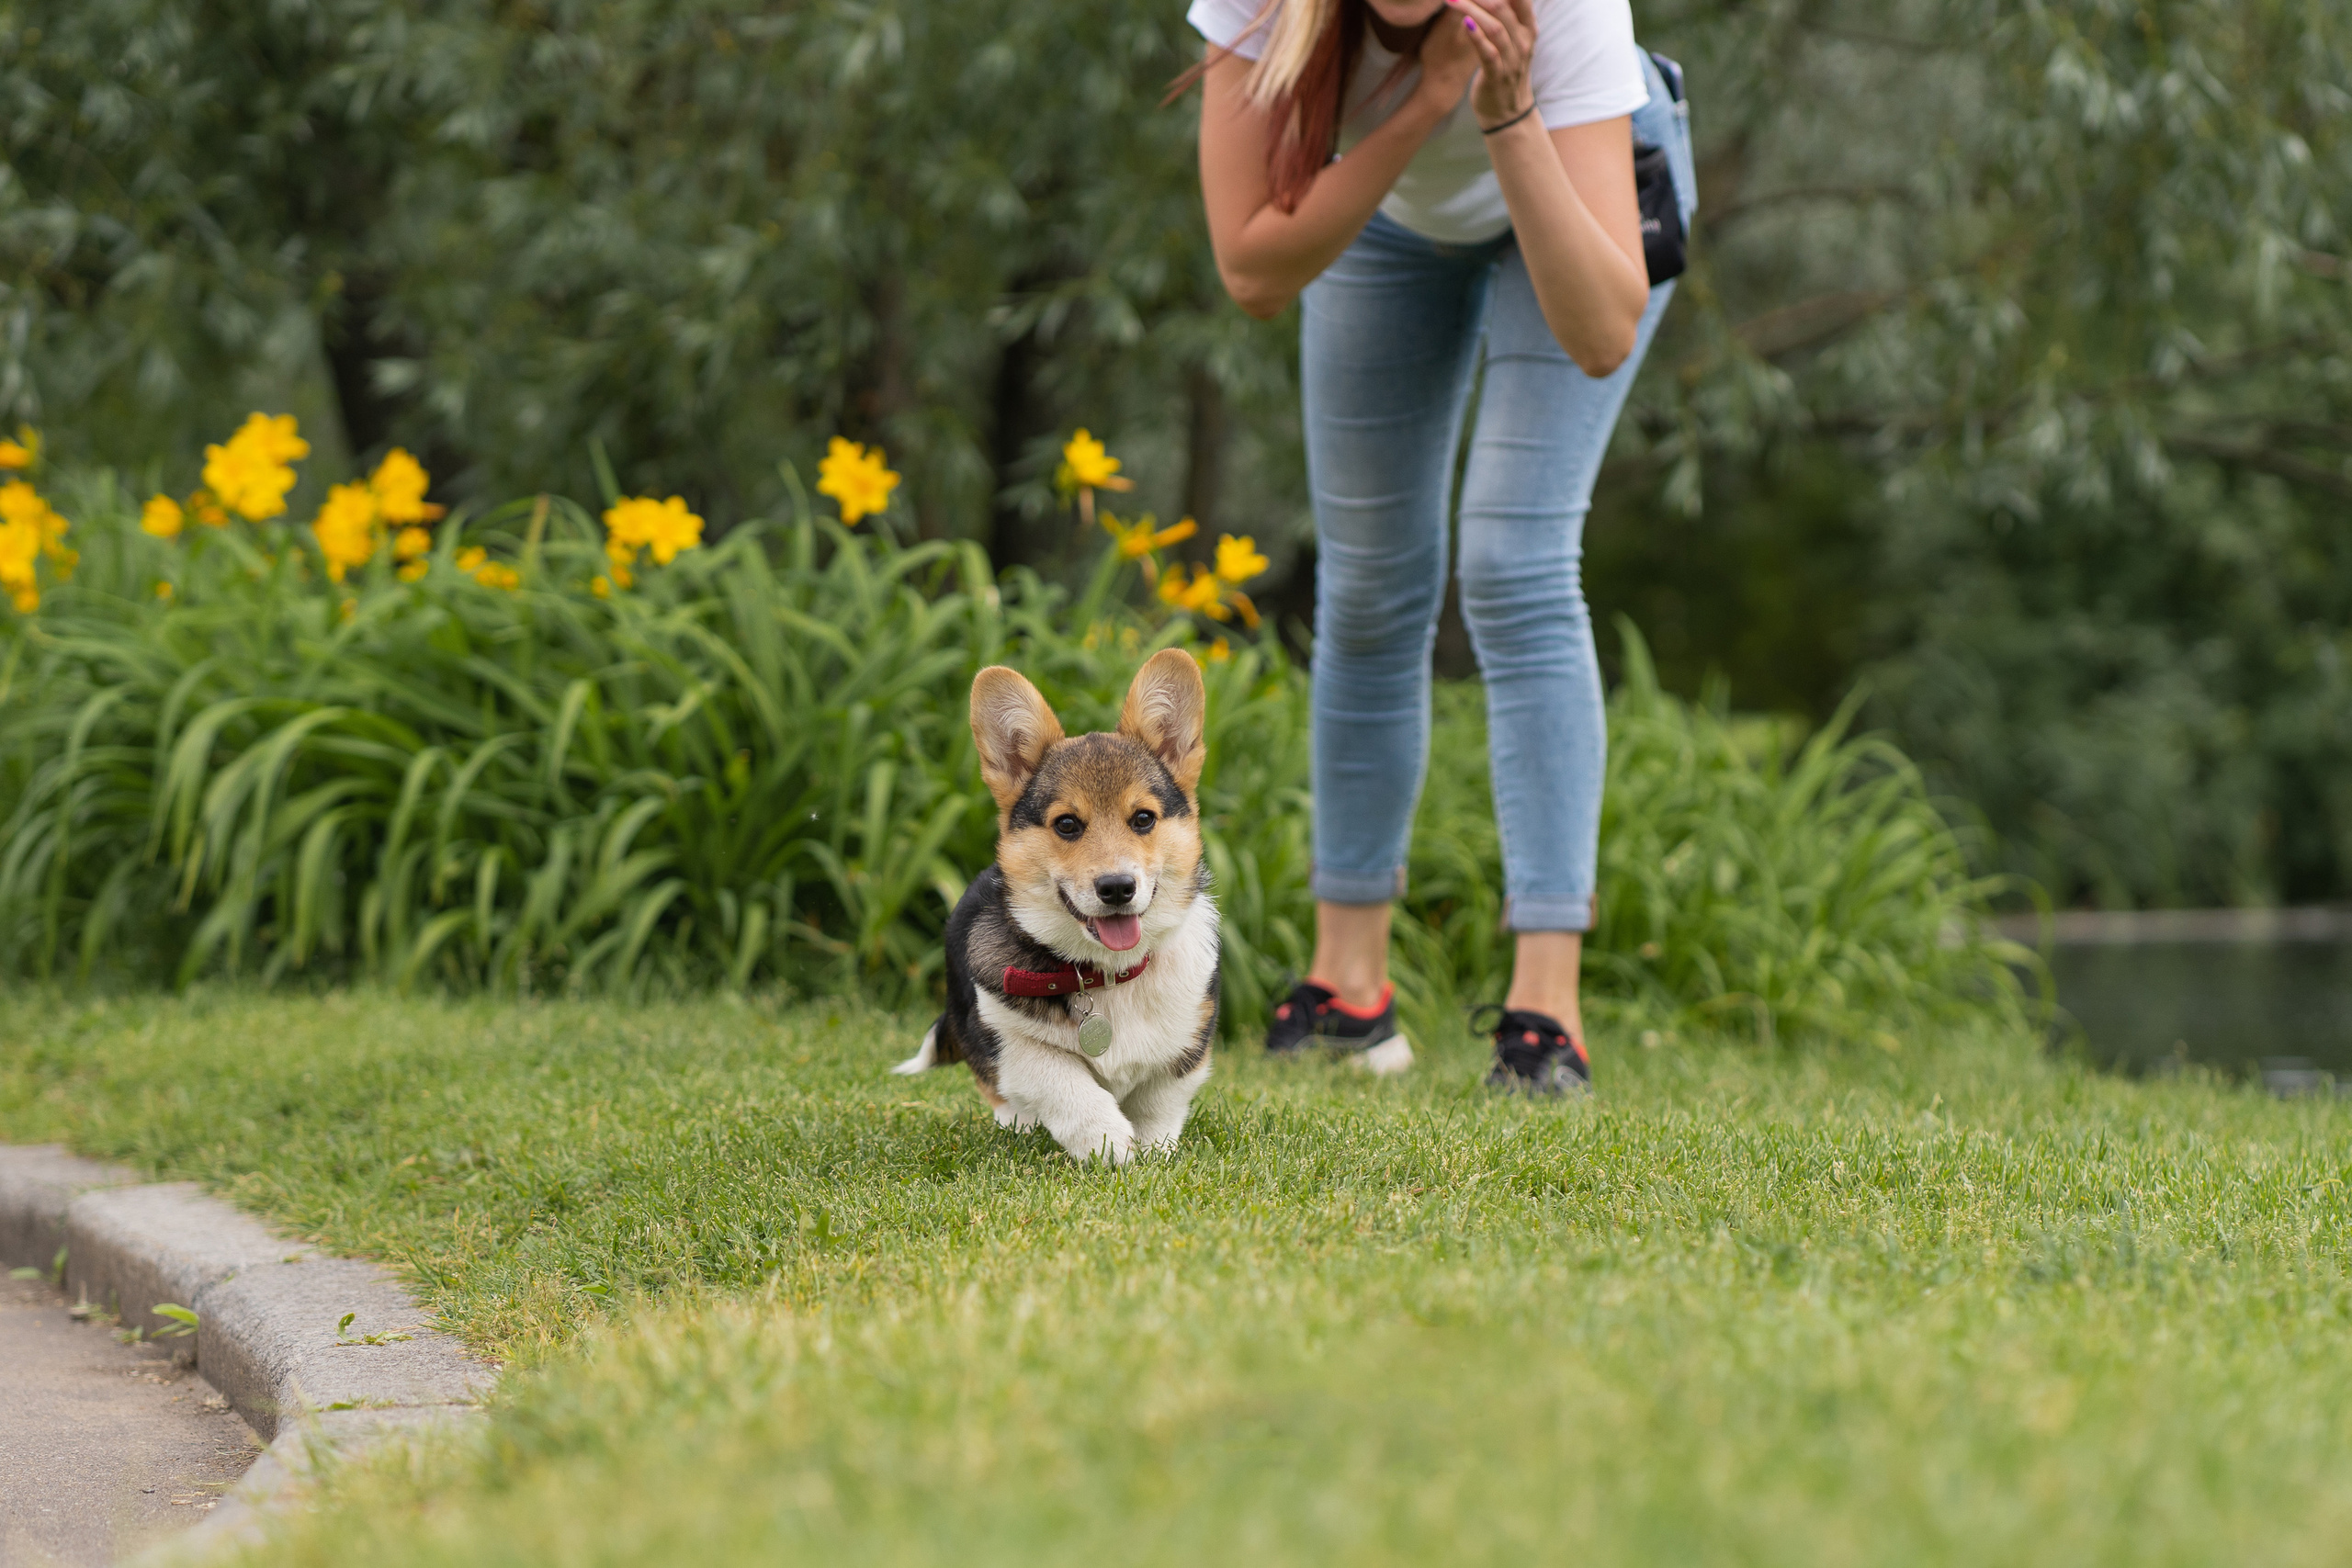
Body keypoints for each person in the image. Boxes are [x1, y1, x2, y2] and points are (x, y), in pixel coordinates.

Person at [1185, 0, 1695, 1093]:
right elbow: (1252, 270)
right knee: (1367, 583)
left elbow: (1602, 334)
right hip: (1386, 216)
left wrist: (1506, 113)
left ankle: (1544, 1014)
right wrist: (1422, 105)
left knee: (1514, 565)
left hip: (1565, 192)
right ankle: (1348, 995)